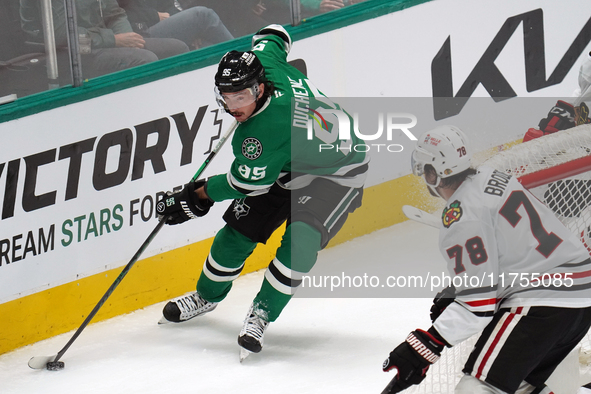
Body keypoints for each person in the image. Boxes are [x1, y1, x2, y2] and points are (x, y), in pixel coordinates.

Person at [155, 24, 368, 359]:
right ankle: (207, 296)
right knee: (235, 236)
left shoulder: (263, 133)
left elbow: (247, 184)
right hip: (286, 163)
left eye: (242, 97)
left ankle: (262, 313)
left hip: (335, 171)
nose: (234, 105)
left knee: (300, 243)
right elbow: (275, 34)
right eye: (227, 97)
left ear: (261, 87)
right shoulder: (262, 60)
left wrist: (197, 196)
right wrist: (267, 44)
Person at [381, 125, 591, 393]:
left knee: (477, 388)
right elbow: (511, 249)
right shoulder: (492, 176)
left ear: (433, 173)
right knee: (517, 388)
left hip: (542, 305)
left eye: (424, 170)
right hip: (580, 299)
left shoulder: (460, 217)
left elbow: (477, 306)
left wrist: (424, 345)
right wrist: (460, 289)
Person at [20, 0, 189, 79]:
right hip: (69, 54)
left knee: (177, 49)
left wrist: (129, 42)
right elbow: (63, 36)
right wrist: (114, 41)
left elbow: (115, 13)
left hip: (104, 41)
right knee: (145, 59)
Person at [117, 0, 233, 50]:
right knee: (202, 15)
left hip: (161, 24)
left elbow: (169, 5)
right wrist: (154, 15)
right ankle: (246, 61)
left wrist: (190, 29)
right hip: (135, 35)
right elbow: (112, 15)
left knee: (206, 47)